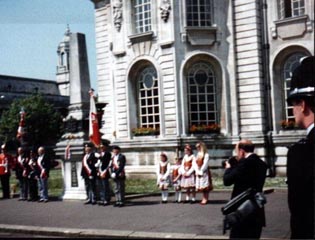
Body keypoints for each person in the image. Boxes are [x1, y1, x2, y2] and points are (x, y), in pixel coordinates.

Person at [286, 56, 314, 239]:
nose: (293, 110)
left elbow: (302, 219)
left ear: (302, 105)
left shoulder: (301, 153)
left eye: (293, 104)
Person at [223, 139, 267, 239]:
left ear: (242, 151)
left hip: (242, 210)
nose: (237, 155)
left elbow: (227, 181)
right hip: (256, 207)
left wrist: (228, 168)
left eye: (237, 151)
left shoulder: (244, 164)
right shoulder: (262, 164)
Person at [95, 141, 112, 206]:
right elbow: (97, 162)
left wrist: (99, 157)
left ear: (105, 147)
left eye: (102, 146)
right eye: (100, 147)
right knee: (100, 186)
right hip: (99, 172)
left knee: (105, 186)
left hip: (105, 171)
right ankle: (102, 199)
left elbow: (105, 162)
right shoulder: (99, 154)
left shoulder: (108, 154)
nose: (101, 148)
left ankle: (106, 199)